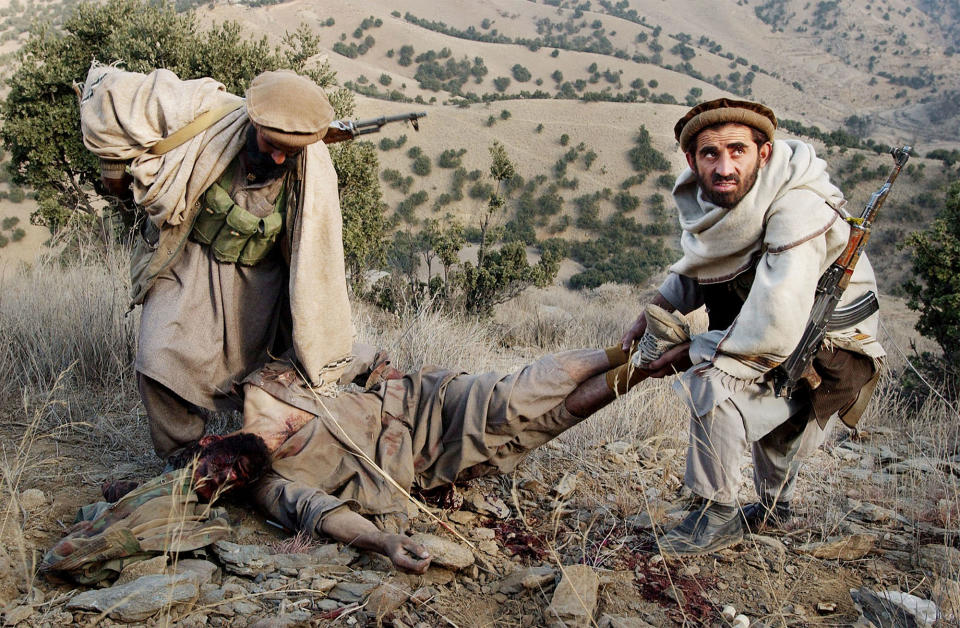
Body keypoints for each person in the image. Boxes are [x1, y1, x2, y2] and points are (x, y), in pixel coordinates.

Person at [618, 98, 885, 557]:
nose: (724, 167)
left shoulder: (797, 206)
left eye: (737, 151)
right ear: (691, 160)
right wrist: (654, 311)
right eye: (710, 154)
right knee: (757, 393)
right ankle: (774, 510)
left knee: (714, 380)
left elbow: (778, 315)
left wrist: (690, 351)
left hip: (830, 348)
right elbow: (703, 263)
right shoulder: (715, 199)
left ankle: (717, 514)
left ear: (762, 153)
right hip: (777, 333)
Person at [77, 64, 354, 463]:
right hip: (190, 266)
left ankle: (250, 456)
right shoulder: (208, 115)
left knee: (271, 369)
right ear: (254, 119)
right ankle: (184, 458)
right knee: (158, 358)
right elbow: (116, 94)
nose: (278, 155)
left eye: (288, 150)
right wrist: (116, 171)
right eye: (270, 142)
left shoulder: (311, 168)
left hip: (260, 286)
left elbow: (317, 255)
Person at [188, 344, 649, 573]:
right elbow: (321, 513)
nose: (231, 478)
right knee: (546, 423)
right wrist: (382, 542)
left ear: (211, 444)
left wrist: (376, 368)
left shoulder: (264, 383)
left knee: (510, 400)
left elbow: (334, 348)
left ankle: (630, 348)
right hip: (424, 465)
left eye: (215, 471)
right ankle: (651, 366)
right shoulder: (269, 485)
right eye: (225, 486)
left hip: (418, 403)